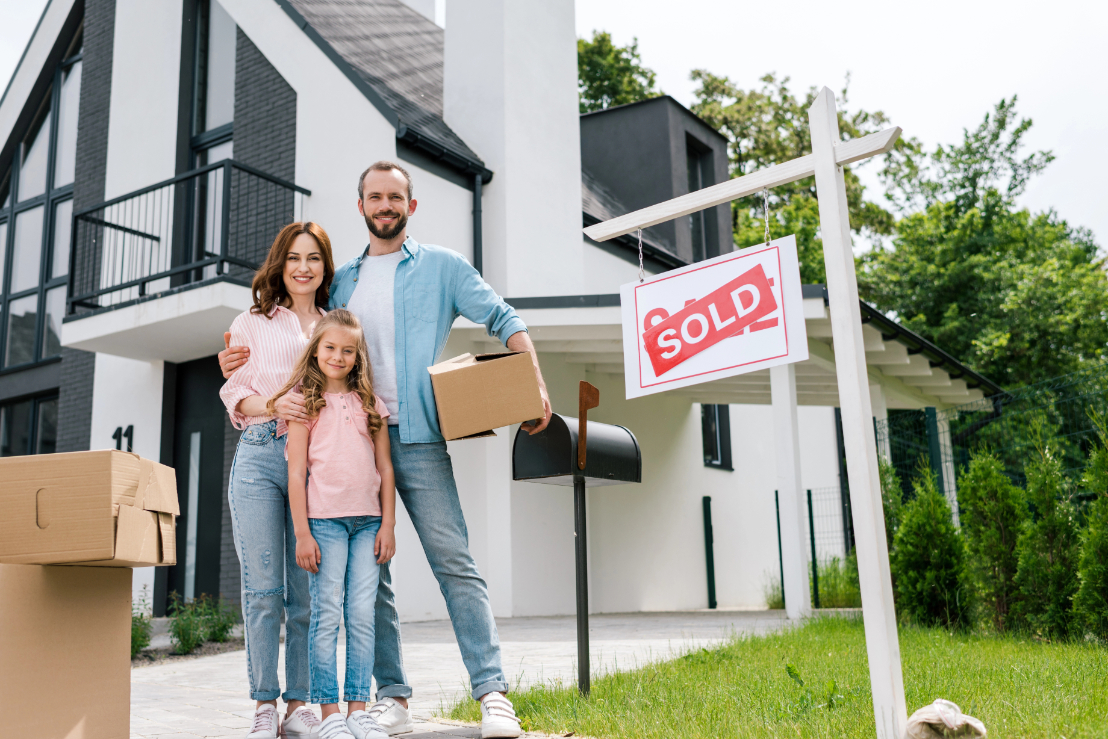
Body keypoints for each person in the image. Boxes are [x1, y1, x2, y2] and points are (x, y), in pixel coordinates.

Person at [221, 161, 552, 738]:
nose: (385, 205)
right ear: (361, 207)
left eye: (395, 196)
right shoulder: (341, 283)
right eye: (375, 197)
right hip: (346, 441)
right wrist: (235, 365)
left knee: (455, 562)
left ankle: (493, 693)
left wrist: (535, 381)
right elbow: (299, 348)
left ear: (410, 206)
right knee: (370, 577)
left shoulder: (443, 266)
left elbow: (502, 316)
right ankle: (391, 694)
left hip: (417, 437)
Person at [218, 222, 335, 739]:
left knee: (307, 593)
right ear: (280, 265)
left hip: (317, 462)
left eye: (313, 258)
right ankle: (264, 704)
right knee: (264, 591)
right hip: (261, 455)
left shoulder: (337, 326)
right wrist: (274, 403)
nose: (303, 267)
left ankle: (300, 705)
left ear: (325, 267)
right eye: (293, 258)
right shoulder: (250, 322)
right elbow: (233, 394)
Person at [275, 310, 397, 739]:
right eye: (330, 347)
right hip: (323, 523)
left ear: (357, 355)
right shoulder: (303, 403)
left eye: (348, 350)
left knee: (362, 615)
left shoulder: (370, 403)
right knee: (327, 616)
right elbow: (295, 475)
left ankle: (358, 709)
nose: (338, 356)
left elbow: (385, 466)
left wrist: (389, 525)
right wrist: (302, 533)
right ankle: (328, 714)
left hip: (368, 525)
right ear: (316, 349)